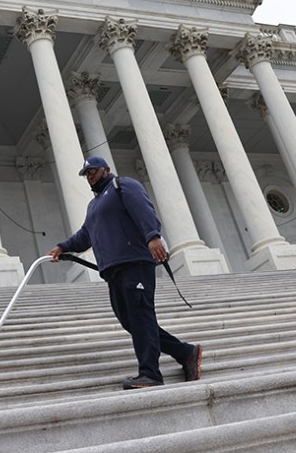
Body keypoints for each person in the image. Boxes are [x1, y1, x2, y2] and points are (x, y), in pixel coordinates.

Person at [48, 156, 202, 390]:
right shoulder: (94, 206)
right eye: (86, 173)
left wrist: (152, 236)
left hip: (135, 264)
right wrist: (63, 247)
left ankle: (150, 373)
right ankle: (186, 352)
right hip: (112, 270)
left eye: (93, 171)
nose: (90, 176)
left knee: (141, 317)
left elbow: (143, 208)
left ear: (106, 169)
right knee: (131, 321)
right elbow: (85, 235)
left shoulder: (123, 186)